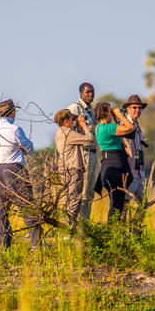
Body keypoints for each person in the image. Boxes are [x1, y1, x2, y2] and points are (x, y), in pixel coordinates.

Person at [0, 99, 41, 251]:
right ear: (11, 112)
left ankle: (5, 246)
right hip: (14, 168)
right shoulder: (15, 129)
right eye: (14, 111)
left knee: (2, 209)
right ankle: (36, 243)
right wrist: (23, 148)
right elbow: (29, 148)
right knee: (27, 205)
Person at [92, 102, 136, 222]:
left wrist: (115, 118)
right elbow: (131, 128)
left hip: (107, 165)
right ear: (106, 113)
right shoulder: (108, 128)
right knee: (116, 206)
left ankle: (113, 233)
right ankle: (112, 234)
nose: (112, 112)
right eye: (109, 110)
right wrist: (120, 115)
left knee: (115, 203)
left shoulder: (98, 128)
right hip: (116, 166)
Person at [53, 109, 95, 224]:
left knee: (67, 198)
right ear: (66, 121)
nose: (74, 121)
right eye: (72, 119)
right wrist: (83, 125)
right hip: (73, 169)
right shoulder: (69, 133)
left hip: (64, 168)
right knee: (75, 199)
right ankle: (69, 227)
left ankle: (65, 225)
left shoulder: (59, 133)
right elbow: (90, 139)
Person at [67, 82, 99, 220]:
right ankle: (74, 227)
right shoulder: (75, 108)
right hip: (82, 153)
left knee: (90, 193)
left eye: (92, 92)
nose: (91, 94)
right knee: (81, 193)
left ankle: (84, 226)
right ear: (80, 93)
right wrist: (85, 129)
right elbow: (66, 129)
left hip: (93, 153)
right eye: (87, 92)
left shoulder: (91, 111)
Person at [121, 95, 148, 203]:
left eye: (139, 108)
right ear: (128, 109)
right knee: (124, 204)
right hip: (129, 173)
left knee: (144, 205)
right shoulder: (123, 125)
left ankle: (134, 221)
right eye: (134, 107)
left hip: (139, 173)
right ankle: (123, 221)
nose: (137, 110)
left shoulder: (138, 126)